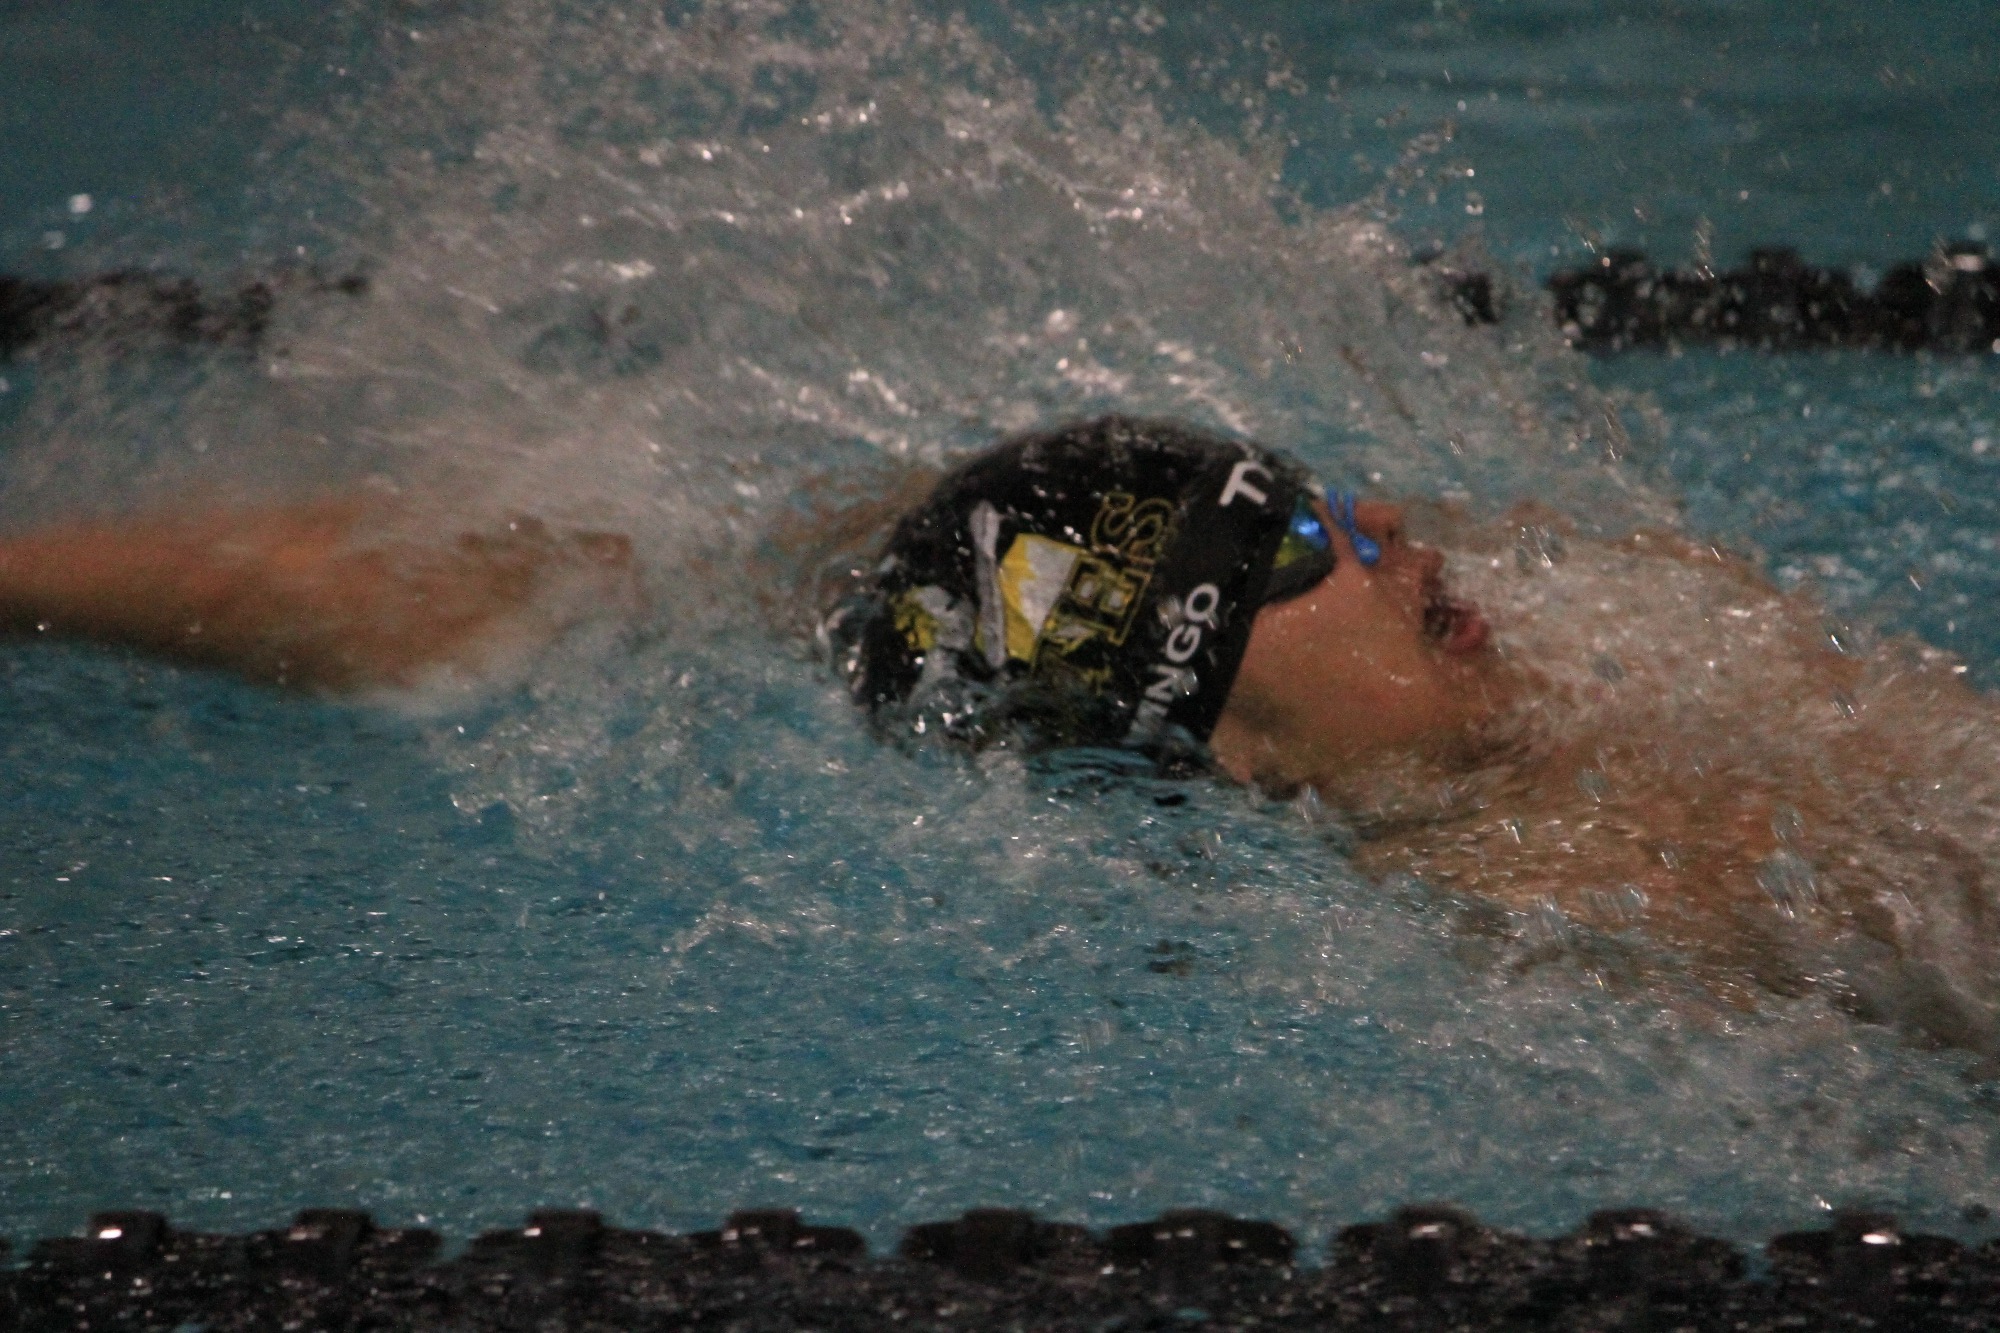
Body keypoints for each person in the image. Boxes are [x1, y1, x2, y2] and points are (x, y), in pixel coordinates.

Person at [3, 414, 1996, 1037]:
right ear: (1223, 744)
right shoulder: (1590, 898)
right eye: (1294, 547)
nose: (1389, 533)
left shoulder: (1587, 649)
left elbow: (519, 575)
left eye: (1331, 501)